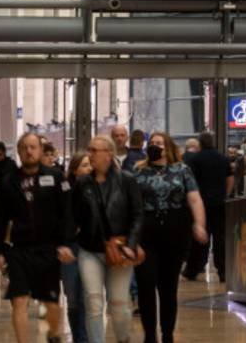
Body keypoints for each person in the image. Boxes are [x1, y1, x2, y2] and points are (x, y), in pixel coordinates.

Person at [0, 132, 76, 343]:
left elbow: (67, 214)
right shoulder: (9, 181)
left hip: (48, 249)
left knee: (52, 303)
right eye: (24, 147)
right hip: (19, 250)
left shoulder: (55, 177)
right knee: (19, 301)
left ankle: (54, 333)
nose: (29, 151)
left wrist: (65, 244)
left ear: (40, 150)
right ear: (18, 152)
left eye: (33, 147)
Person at [133, 131, 208, 343]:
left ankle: (167, 334)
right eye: (152, 143)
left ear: (168, 147)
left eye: (159, 143)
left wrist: (199, 224)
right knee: (146, 284)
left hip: (174, 232)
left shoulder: (182, 170)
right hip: (146, 232)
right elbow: (130, 202)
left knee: (168, 287)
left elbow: (194, 199)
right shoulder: (139, 171)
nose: (155, 146)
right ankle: (149, 335)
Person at [74, 135, 145, 343]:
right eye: (90, 150)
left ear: (109, 154)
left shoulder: (127, 180)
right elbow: (73, 215)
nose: (91, 155)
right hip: (90, 250)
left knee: (119, 306)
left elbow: (138, 215)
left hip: (120, 249)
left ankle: (123, 339)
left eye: (96, 151)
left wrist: (131, 244)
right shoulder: (82, 183)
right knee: (93, 303)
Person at [182, 131, 233, 283]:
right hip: (219, 203)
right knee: (220, 238)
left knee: (200, 238)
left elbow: (190, 181)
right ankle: (223, 271)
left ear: (200, 144)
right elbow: (230, 178)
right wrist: (226, 194)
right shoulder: (223, 159)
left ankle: (193, 270)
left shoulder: (195, 159)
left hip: (202, 204)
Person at [63, 150, 94, 343]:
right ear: (74, 170)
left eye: (90, 164)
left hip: (91, 248)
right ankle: (78, 337)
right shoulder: (65, 191)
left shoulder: (97, 188)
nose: (89, 168)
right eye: (84, 165)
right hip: (70, 247)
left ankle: (85, 339)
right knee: (73, 298)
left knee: (88, 297)